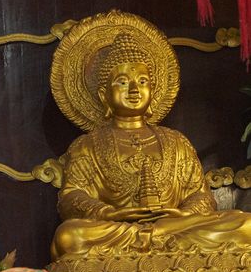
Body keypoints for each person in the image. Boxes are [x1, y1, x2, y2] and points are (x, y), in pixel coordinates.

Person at [52, 31, 251, 260]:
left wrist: (181, 213)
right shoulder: (88, 145)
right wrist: (109, 213)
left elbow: (202, 196)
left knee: (246, 226)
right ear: (103, 95)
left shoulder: (176, 142)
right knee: (69, 236)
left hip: (174, 227)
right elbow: (70, 197)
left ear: (153, 91)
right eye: (123, 82)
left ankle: (155, 240)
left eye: (142, 81)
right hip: (119, 231)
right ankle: (156, 244)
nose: (134, 90)